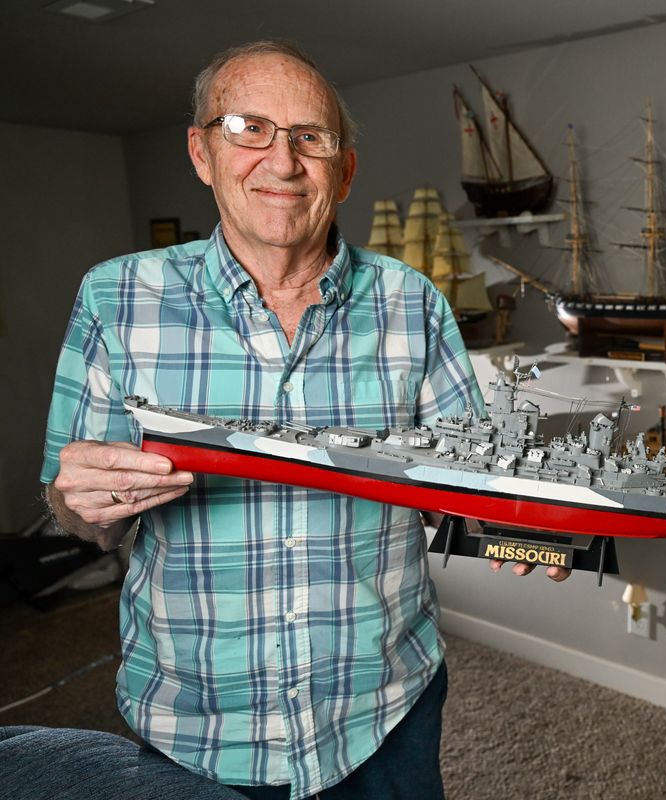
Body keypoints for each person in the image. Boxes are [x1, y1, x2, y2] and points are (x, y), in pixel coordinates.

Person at [40, 40, 566, 800]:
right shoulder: (115, 299)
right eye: (249, 127)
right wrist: (80, 504)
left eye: (310, 138)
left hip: (385, 714)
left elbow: (466, 484)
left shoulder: (412, 303)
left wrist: (522, 523)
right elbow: (73, 513)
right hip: (194, 725)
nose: (282, 163)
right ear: (201, 151)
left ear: (344, 170)